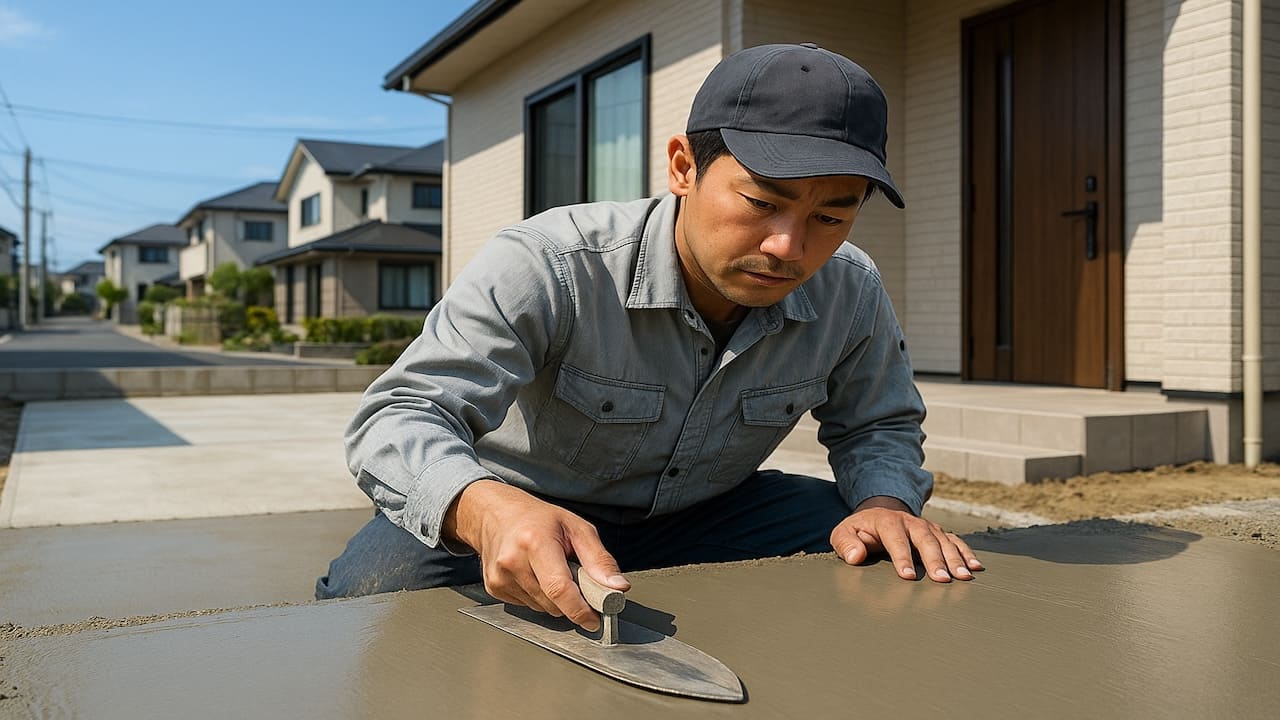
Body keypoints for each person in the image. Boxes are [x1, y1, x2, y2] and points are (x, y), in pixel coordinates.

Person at [317, 42, 982, 630]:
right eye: (762, 202)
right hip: (526, 507)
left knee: (871, 542)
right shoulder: (548, 262)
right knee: (373, 590)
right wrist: (485, 510)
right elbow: (400, 414)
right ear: (683, 166)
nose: (788, 246)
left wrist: (886, 502)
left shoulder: (851, 288)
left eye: (831, 215)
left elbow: (878, 424)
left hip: (710, 513)